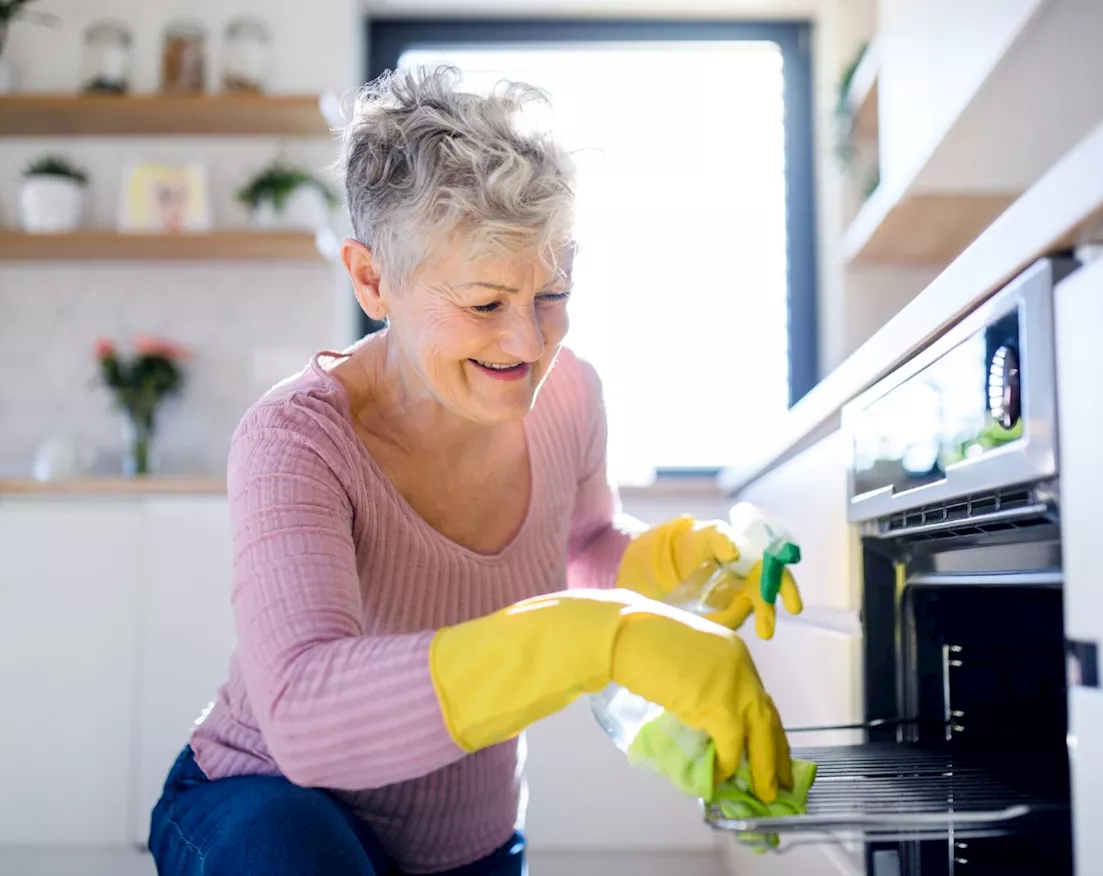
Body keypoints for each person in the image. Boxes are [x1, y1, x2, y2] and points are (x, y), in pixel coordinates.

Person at [147, 66, 804, 876]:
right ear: (371, 279)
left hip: (468, 843)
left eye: (552, 293)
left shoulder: (571, 395)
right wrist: (602, 636)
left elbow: (585, 547)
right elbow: (303, 714)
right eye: (486, 304)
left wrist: (670, 562)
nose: (528, 345)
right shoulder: (295, 442)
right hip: (267, 807)